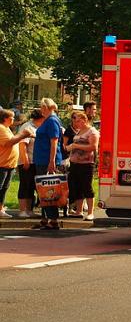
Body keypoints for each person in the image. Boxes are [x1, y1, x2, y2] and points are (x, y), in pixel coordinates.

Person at [32, 98, 64, 229]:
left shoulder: (51, 120)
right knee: (43, 191)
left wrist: (51, 161)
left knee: (48, 190)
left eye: (41, 107)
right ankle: (45, 218)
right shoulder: (49, 119)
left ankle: (53, 219)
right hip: (42, 159)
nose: (40, 109)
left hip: (46, 160)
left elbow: (54, 141)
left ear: (46, 107)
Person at [66, 111, 99, 221]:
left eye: (78, 120)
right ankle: (79, 211)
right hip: (75, 163)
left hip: (86, 164)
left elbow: (93, 147)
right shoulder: (80, 131)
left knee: (86, 187)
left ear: (84, 120)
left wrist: (75, 145)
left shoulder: (92, 131)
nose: (76, 122)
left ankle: (90, 212)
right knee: (76, 187)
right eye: (75, 120)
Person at [0, 109, 33, 218]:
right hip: (2, 165)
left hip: (9, 165)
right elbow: (9, 142)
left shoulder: (7, 129)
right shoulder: (1, 128)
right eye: (12, 117)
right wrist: (23, 134)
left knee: (4, 188)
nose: (13, 119)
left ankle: (0, 209)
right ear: (5, 118)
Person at [15, 109, 44, 218]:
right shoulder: (27, 127)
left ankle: (29, 210)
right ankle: (23, 210)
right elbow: (22, 145)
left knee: (32, 186)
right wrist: (25, 160)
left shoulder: (39, 127)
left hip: (36, 161)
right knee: (25, 185)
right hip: (27, 161)